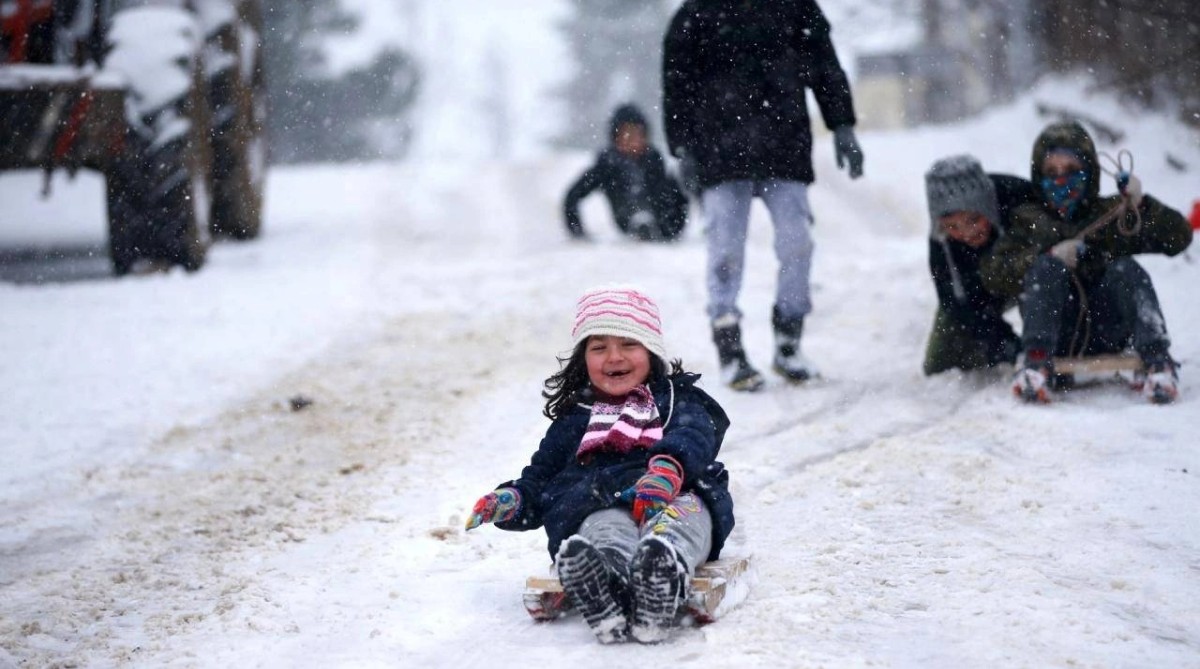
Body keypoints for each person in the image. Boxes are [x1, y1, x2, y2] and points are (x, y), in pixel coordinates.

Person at [464, 286, 734, 644]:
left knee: (678, 524)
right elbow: (541, 478)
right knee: (603, 529)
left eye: (628, 344)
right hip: (601, 501)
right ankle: (604, 583)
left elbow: (695, 434)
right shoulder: (574, 419)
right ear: (583, 358)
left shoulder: (675, 400)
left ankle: (662, 574)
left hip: (673, 494)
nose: (614, 357)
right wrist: (512, 500)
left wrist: (668, 468)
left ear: (651, 352)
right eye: (599, 347)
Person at [662, 0, 864, 391]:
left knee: (797, 243)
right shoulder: (697, 14)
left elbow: (824, 65)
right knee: (725, 251)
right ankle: (729, 345)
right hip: (718, 150)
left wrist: (842, 125)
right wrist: (682, 146)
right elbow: (676, 82)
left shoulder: (795, 8)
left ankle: (789, 339)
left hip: (783, 145)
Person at [979, 121, 1193, 404]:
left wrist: (1142, 206)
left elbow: (1178, 237)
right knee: (1046, 268)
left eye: (1071, 171)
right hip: (1055, 335)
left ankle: (1158, 361)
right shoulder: (1028, 220)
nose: (1060, 180)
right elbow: (993, 274)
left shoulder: (1110, 213)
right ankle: (1036, 366)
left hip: (1107, 327)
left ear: (1089, 172)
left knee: (1126, 269)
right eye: (1051, 172)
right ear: (1039, 175)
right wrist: (1046, 257)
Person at [923, 155, 1040, 376]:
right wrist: (1004, 344)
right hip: (980, 290)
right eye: (953, 227)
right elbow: (956, 304)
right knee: (939, 365)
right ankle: (984, 356)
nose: (967, 233)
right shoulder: (941, 244)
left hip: (1030, 276)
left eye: (974, 220)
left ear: (987, 208)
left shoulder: (1020, 198)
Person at [562, 104, 689, 241]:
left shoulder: (655, 161)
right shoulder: (607, 166)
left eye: (637, 134)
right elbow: (573, 196)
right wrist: (577, 232)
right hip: (626, 219)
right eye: (626, 134)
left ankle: (648, 222)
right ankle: (640, 221)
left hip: (662, 225)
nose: (632, 140)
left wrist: (672, 229)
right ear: (615, 138)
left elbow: (679, 199)